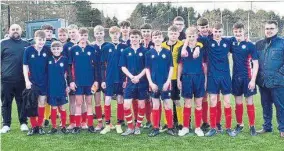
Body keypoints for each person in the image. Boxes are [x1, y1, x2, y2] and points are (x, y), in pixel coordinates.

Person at [255, 20, 284, 138]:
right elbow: (254, 61)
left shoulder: (282, 43)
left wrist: (280, 74)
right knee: (265, 105)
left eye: (271, 28)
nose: (269, 30)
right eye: (267, 28)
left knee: (280, 106)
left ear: (277, 30)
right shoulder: (259, 44)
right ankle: (267, 127)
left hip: (278, 82)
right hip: (263, 81)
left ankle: (282, 128)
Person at [230, 22, 259, 136]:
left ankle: (252, 126)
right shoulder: (232, 43)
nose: (238, 33)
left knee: (249, 101)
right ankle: (239, 124)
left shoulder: (250, 45)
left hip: (247, 78)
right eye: (236, 32)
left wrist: (253, 80)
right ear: (234, 32)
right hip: (236, 78)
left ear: (244, 32)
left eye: (240, 31)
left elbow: (256, 64)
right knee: (238, 102)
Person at [177, 27, 206, 137]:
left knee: (198, 104)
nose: (191, 38)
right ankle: (185, 127)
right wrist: (179, 79)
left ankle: (198, 127)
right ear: (186, 37)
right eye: (189, 36)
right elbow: (180, 64)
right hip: (186, 78)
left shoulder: (201, 48)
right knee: (187, 103)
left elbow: (205, 64)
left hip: (199, 78)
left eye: (193, 36)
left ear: (197, 36)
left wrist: (205, 80)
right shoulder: (182, 49)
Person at [68, 28, 99, 134]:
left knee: (89, 102)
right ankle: (77, 126)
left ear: (87, 36)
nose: (83, 37)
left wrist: (96, 80)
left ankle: (90, 125)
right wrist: (71, 81)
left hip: (90, 81)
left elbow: (96, 66)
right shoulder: (73, 49)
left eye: (85, 35)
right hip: (78, 82)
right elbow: (69, 66)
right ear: (78, 36)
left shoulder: (91, 49)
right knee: (78, 103)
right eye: (81, 35)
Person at [0, 24, 29, 134]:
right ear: (9, 31)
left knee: (22, 102)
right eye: (13, 29)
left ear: (21, 31)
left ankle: (23, 123)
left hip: (22, 79)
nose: (15, 31)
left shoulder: (26, 44)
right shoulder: (3, 43)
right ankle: (6, 125)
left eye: (17, 29)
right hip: (6, 79)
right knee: (6, 102)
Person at [145, 30, 175, 137]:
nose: (157, 39)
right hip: (154, 83)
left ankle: (170, 127)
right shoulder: (148, 53)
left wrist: (168, 81)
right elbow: (147, 69)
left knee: (167, 104)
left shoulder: (167, 52)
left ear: (162, 38)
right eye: (155, 37)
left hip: (165, 83)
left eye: (159, 37)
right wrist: (151, 83)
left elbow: (171, 67)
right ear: (152, 39)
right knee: (156, 105)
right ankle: (155, 128)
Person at [119, 29, 148, 136]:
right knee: (126, 105)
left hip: (142, 82)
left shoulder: (145, 51)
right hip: (130, 82)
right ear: (129, 39)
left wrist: (138, 77)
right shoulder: (126, 51)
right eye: (132, 37)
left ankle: (138, 127)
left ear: (140, 39)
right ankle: (130, 127)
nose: (134, 39)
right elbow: (122, 66)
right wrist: (131, 77)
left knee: (141, 105)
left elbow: (147, 67)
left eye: (136, 37)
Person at [100, 26, 128, 135]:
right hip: (109, 78)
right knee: (107, 100)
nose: (115, 35)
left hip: (121, 78)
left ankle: (119, 124)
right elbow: (102, 65)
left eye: (117, 33)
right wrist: (103, 79)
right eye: (112, 33)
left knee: (120, 99)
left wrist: (126, 78)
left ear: (119, 34)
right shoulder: (106, 47)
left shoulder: (124, 47)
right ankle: (107, 125)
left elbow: (126, 65)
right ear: (110, 35)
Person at [23, 30, 50, 136]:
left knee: (42, 103)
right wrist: (27, 80)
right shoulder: (28, 50)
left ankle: (40, 126)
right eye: (39, 39)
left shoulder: (47, 50)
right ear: (35, 39)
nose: (41, 42)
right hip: (32, 81)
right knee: (32, 104)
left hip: (44, 81)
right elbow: (25, 66)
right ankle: (33, 126)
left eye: (43, 40)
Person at [161, 25, 184, 132]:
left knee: (177, 101)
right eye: (171, 33)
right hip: (165, 78)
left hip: (176, 77)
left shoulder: (182, 44)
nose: (173, 35)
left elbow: (197, 43)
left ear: (178, 34)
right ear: (168, 34)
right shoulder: (162, 45)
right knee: (166, 101)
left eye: (175, 34)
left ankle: (180, 123)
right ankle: (167, 122)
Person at [47, 41, 69, 134]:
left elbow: (67, 74)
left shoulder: (64, 59)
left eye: (58, 48)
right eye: (54, 49)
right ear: (51, 50)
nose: (56, 50)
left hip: (61, 87)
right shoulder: (48, 59)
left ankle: (63, 126)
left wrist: (67, 86)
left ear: (61, 49)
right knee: (54, 107)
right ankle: (54, 127)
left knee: (62, 107)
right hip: (51, 88)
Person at [92, 25, 110, 131]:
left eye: (100, 33)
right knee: (97, 100)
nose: (99, 35)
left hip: (105, 76)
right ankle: (99, 122)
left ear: (104, 33)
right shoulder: (91, 46)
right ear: (94, 34)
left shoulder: (108, 46)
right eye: (97, 33)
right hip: (95, 77)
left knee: (106, 99)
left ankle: (108, 122)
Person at [140, 23, 155, 129]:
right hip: (141, 76)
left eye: (147, 31)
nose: (146, 33)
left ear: (151, 32)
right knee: (143, 99)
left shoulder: (155, 43)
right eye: (144, 31)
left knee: (153, 99)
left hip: (152, 76)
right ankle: (146, 120)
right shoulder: (138, 43)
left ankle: (154, 121)